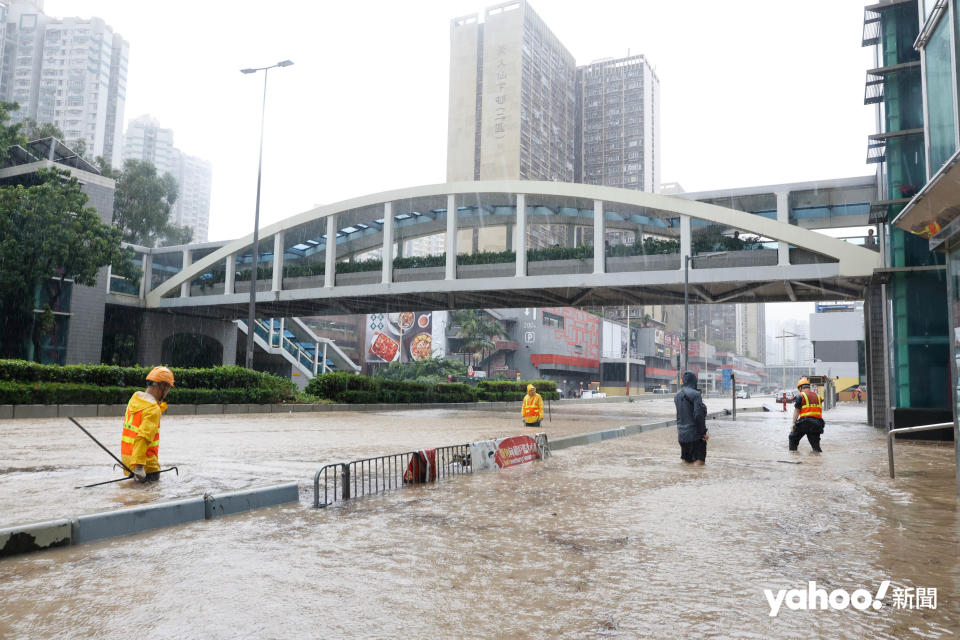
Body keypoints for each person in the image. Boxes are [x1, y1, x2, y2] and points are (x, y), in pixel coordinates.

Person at [121, 366, 174, 482]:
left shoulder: (135, 399)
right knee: (149, 498)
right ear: (162, 386)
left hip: (128, 462)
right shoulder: (152, 409)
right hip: (146, 467)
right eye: (169, 387)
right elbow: (143, 437)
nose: (168, 392)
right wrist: (139, 466)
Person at [675, 371, 708, 465]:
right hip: (695, 436)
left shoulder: (677, 396)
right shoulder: (696, 394)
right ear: (694, 381)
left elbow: (679, 416)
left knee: (686, 464)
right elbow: (698, 415)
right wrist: (703, 433)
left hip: (682, 437)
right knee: (699, 465)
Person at [790, 377, 824, 453]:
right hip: (817, 423)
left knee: (792, 438)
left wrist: (793, 423)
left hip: (805, 422)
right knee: (816, 446)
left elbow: (797, 411)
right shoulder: (818, 396)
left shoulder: (801, 396)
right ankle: (817, 460)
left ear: (800, 388)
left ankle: (793, 455)